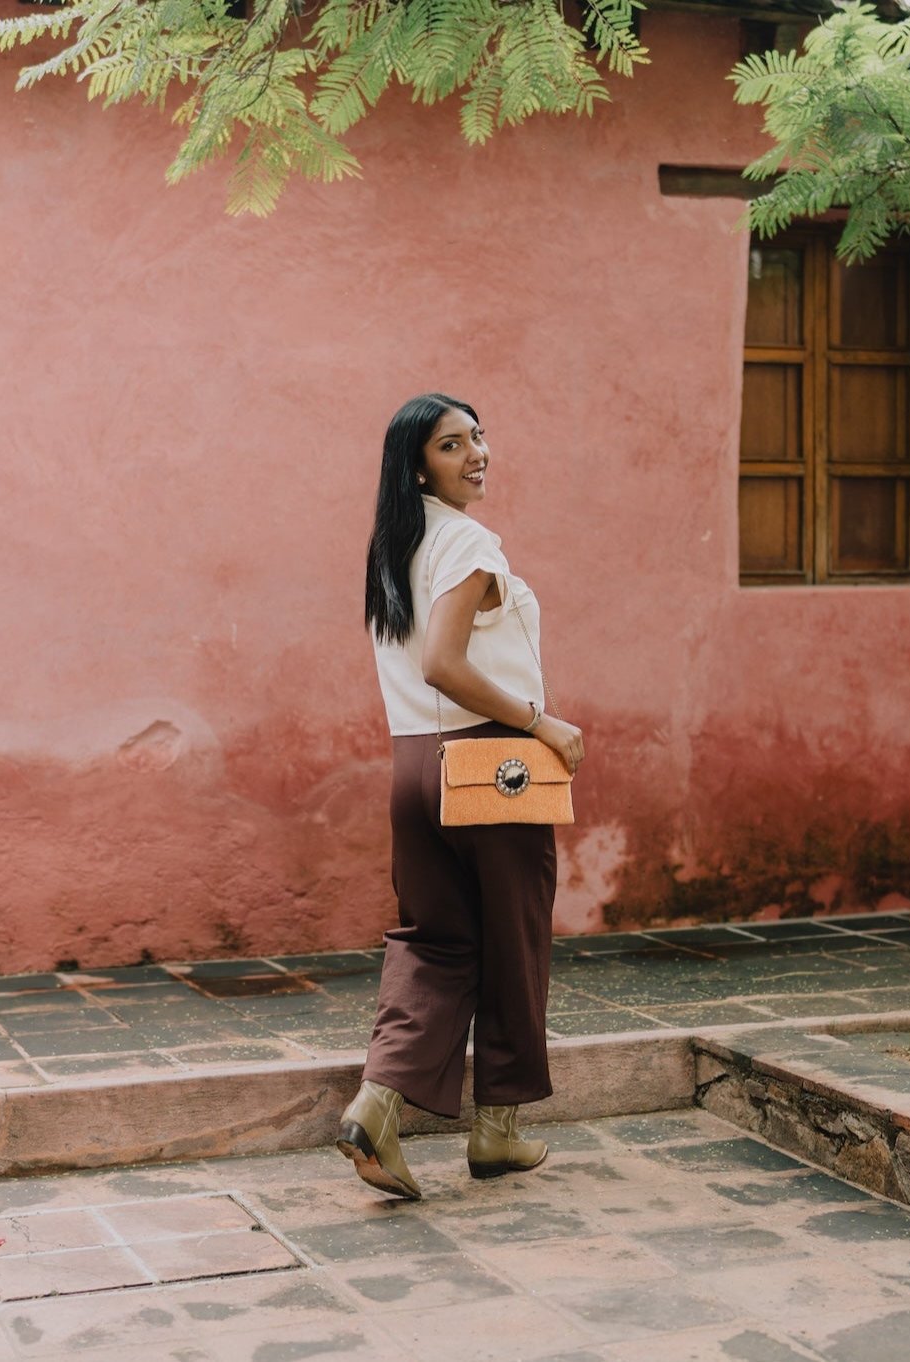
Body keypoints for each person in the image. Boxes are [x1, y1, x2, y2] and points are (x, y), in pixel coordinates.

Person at [337, 392, 585, 1200]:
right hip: (489, 767)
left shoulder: (392, 550)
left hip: (412, 765)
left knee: (434, 941)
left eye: (479, 435)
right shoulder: (468, 542)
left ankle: (376, 1107)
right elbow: (444, 662)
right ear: (418, 466)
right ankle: (496, 1131)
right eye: (452, 445)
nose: (477, 452)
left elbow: (421, 669)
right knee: (513, 943)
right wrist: (539, 722)